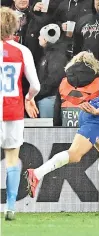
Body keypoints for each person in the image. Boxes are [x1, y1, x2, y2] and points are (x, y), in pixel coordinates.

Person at [1, 7, 41, 220]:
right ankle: (10, 207)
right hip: (13, 110)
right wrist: (28, 98)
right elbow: (35, 85)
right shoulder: (22, 51)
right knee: (12, 158)